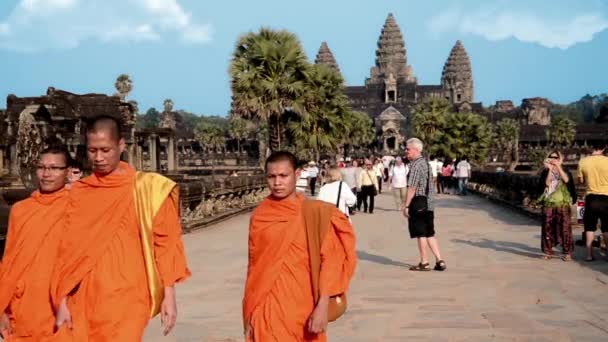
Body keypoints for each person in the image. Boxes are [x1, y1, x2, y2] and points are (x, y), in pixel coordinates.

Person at [52, 116, 191, 340]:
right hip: (84, 296)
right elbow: (65, 251)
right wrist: (62, 298)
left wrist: (169, 294)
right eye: (92, 150)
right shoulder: (78, 194)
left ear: (121, 145)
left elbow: (165, 244)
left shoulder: (148, 189)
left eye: (105, 150)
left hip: (128, 295)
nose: (98, 158)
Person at [243, 151, 357, 341]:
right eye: (271, 177)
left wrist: (323, 304)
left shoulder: (314, 214)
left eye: (283, 176)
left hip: (303, 306)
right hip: (266, 306)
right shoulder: (260, 215)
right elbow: (254, 267)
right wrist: (250, 311)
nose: (277, 182)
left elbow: (331, 260)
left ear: (297, 174)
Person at [0, 144, 71, 341]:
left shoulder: (76, 208)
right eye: (41, 167)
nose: (46, 174)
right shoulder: (20, 210)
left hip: (60, 307)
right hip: (22, 304)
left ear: (67, 172)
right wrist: (1, 308)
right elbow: (8, 261)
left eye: (54, 168)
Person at [402, 138, 446, 272]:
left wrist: (407, 205)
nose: (406, 151)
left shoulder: (415, 165)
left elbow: (412, 187)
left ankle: (424, 262)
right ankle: (439, 260)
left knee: (420, 233)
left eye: (408, 149)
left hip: (419, 201)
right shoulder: (426, 163)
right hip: (429, 202)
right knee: (429, 233)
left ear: (415, 150)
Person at [536, 151, 577, 261]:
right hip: (549, 203)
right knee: (547, 228)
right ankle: (548, 251)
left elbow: (567, 180)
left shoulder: (565, 170)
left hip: (562, 203)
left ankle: (567, 252)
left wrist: (559, 167)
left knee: (565, 228)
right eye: (551, 157)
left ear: (560, 158)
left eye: (556, 157)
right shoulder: (545, 171)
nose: (553, 159)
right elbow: (547, 184)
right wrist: (550, 169)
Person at [577, 141, 608, 262]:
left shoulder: (583, 161)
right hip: (606, 197)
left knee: (589, 227)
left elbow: (580, 181)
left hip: (591, 197)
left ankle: (589, 255)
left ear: (591, 148)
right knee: (606, 227)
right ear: (604, 148)